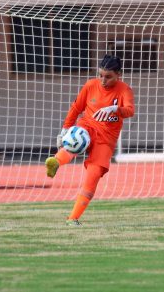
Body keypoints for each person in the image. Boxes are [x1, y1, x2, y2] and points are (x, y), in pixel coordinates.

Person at [45, 54, 135, 226]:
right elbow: (76, 107)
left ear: (119, 75)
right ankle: (56, 161)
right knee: (75, 140)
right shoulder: (90, 85)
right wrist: (64, 130)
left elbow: (130, 111)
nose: (103, 80)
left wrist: (115, 108)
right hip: (88, 126)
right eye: (100, 75)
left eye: (108, 77)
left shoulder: (124, 90)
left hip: (106, 139)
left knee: (92, 176)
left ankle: (73, 218)